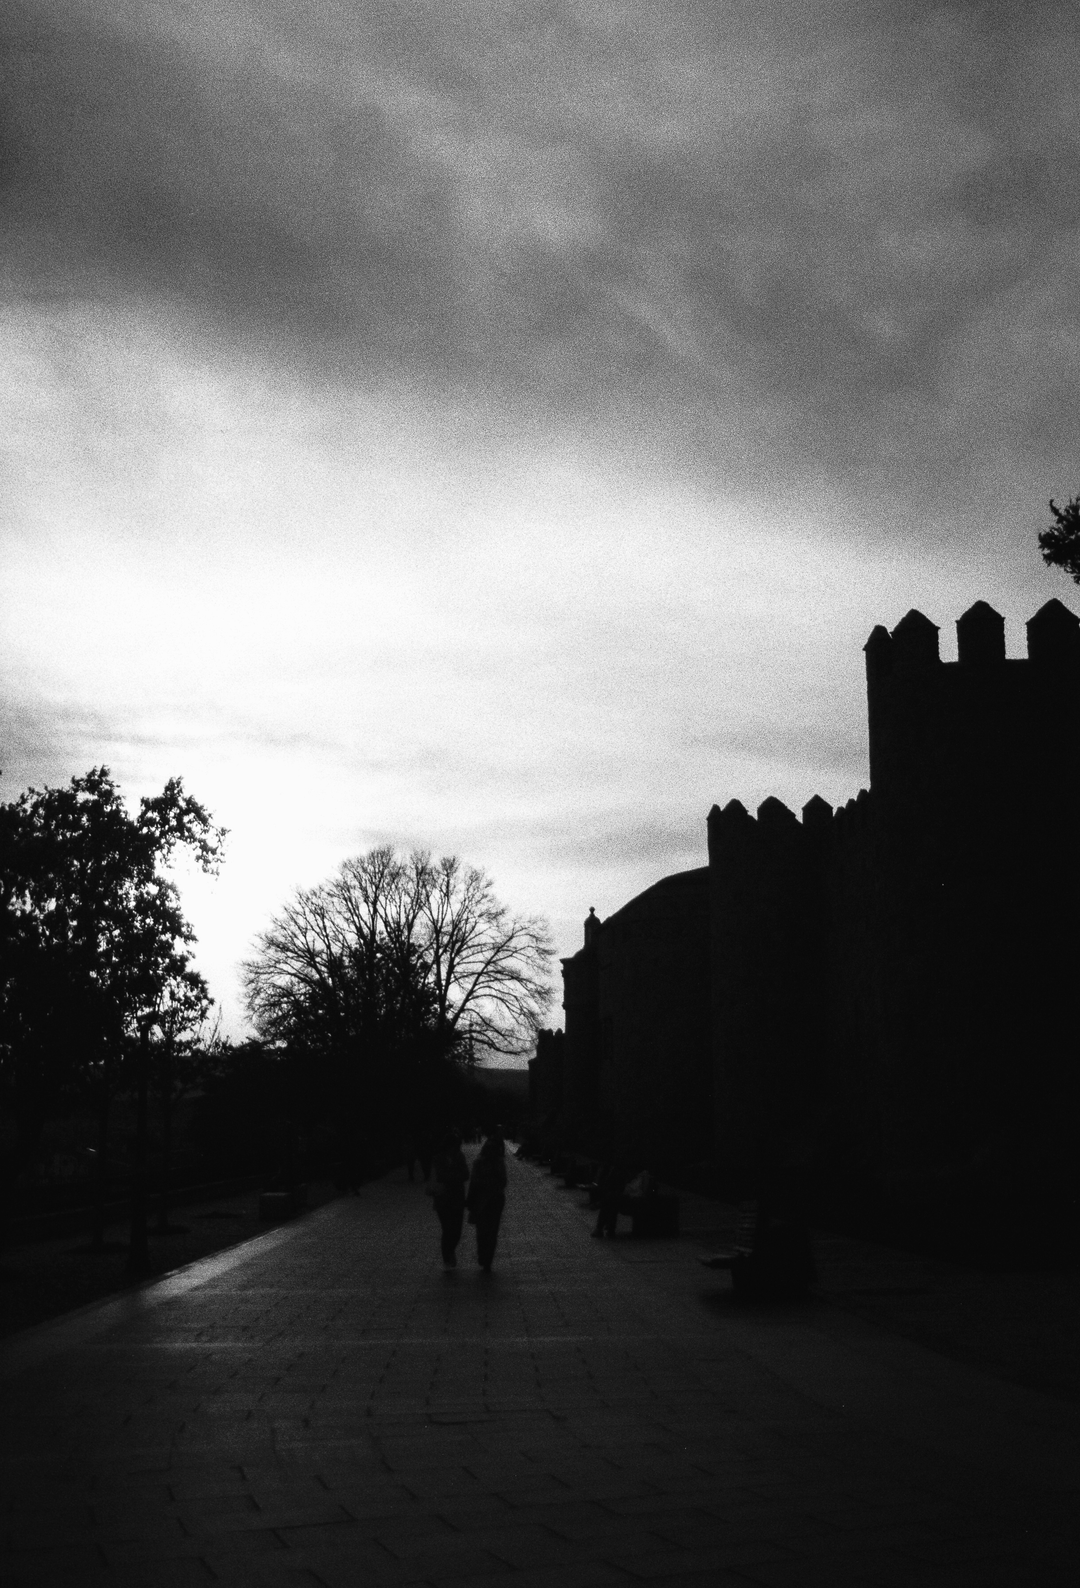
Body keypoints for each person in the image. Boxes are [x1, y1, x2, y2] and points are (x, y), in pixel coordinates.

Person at [426, 1129, 470, 1267]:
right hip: (443, 1199)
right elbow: (439, 1176)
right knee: (447, 1228)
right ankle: (447, 1257)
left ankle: (450, 1250)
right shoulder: (438, 1158)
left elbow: (465, 1174)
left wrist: (450, 1177)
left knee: (456, 1230)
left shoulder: (460, 1157)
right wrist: (454, 1177)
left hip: (457, 1198)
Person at [466, 1131, 508, 1272]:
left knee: (484, 1231)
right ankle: (486, 1258)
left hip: (486, 1200)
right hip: (491, 1200)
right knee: (490, 1231)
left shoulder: (483, 1163)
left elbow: (475, 1182)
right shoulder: (496, 1163)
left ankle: (485, 1256)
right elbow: (502, 1182)